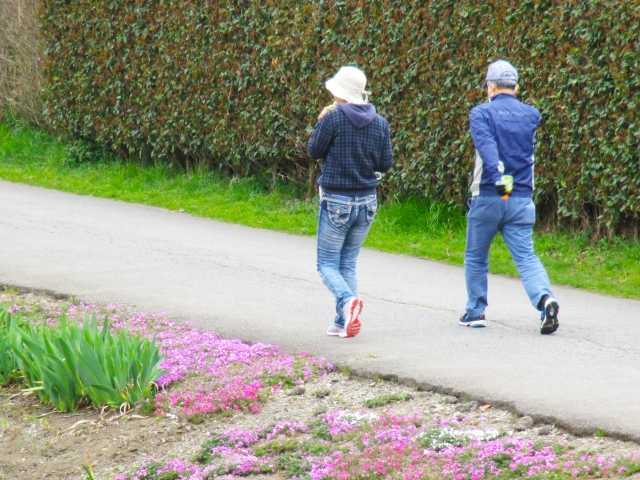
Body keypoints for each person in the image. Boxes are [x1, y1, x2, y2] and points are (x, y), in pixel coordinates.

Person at [460, 60, 560, 334]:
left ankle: (475, 311)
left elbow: (489, 151)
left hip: (491, 196)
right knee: (526, 257)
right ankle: (545, 299)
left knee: (477, 256)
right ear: (516, 87)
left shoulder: (481, 113)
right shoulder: (531, 114)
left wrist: (502, 185)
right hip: (523, 198)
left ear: (490, 87)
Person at [308, 66, 393, 338]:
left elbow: (314, 151)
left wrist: (321, 120)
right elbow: (385, 163)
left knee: (327, 264)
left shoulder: (332, 118)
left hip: (336, 201)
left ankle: (347, 302)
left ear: (338, 92)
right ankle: (341, 322)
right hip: (367, 202)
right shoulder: (380, 122)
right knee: (348, 263)